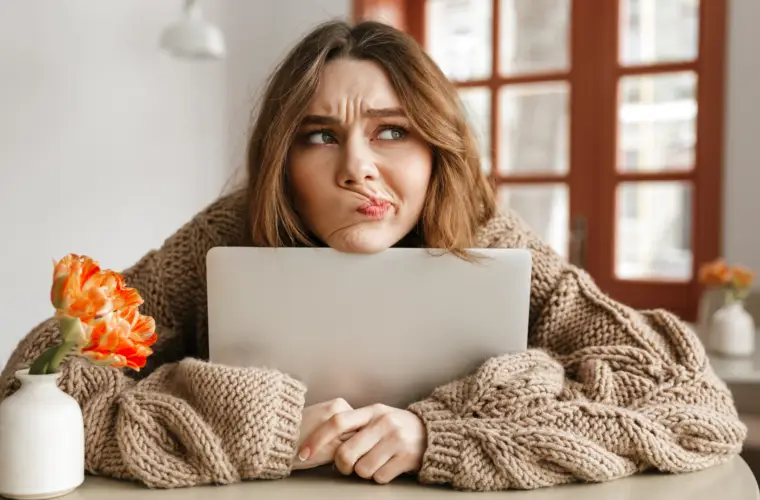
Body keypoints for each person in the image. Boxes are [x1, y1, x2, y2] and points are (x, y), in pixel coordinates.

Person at [0, 19, 746, 492]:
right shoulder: (223, 236)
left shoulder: (486, 236)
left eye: (392, 131)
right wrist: (248, 423)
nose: (357, 167)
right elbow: (31, 389)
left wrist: (441, 435)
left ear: (436, 151)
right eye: (320, 136)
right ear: (282, 162)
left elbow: (693, 407)